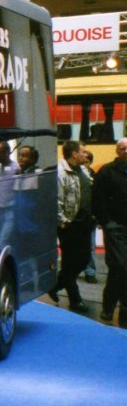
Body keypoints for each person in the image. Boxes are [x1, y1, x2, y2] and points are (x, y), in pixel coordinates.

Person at [47, 141, 94, 314]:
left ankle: (55, 285)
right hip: (69, 225)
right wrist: (64, 222)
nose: (86, 154)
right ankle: (75, 300)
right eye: (83, 151)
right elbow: (56, 200)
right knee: (70, 262)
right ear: (74, 154)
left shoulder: (82, 170)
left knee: (82, 260)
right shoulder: (60, 172)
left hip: (83, 224)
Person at [93, 137, 127, 327]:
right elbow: (98, 198)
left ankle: (111, 306)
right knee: (121, 266)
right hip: (116, 228)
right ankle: (118, 308)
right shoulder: (107, 171)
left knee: (118, 270)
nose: (126, 152)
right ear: (117, 151)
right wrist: (107, 222)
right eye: (122, 148)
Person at [0, 141, 18, 248]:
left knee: (2, 242)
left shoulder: (16, 167)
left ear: (7, 153)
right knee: (5, 240)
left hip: (11, 209)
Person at [82, 150, 99, 283]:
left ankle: (90, 271)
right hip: (76, 216)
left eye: (86, 162)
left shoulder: (96, 177)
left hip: (90, 216)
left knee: (90, 246)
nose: (84, 165)